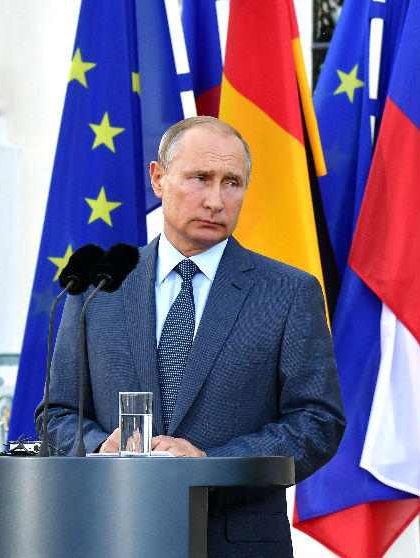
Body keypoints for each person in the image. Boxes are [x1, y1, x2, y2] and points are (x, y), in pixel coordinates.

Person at [36, 116, 346, 557]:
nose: (216, 200)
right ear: (159, 178)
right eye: (200, 178)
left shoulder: (289, 291)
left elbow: (318, 422)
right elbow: (58, 413)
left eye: (232, 183)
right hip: (111, 533)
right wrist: (99, 447)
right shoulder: (96, 286)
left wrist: (210, 464)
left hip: (233, 541)